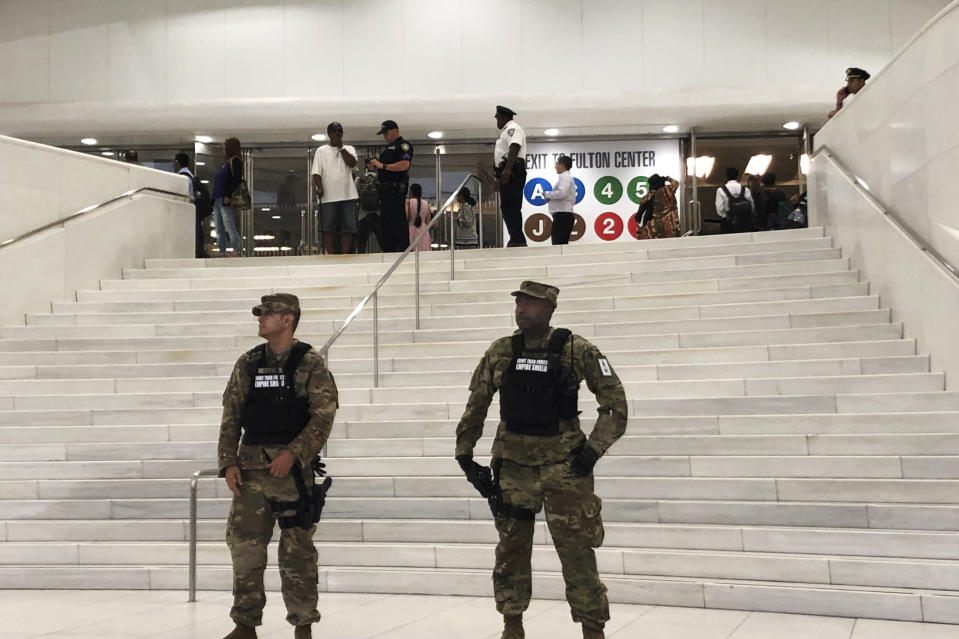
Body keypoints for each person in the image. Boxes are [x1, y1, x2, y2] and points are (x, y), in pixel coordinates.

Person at [455, 281, 628, 639]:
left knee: (577, 552)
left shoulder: (575, 350)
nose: (521, 309)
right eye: (519, 302)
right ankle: (512, 625)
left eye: (530, 304)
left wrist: (593, 449)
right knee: (511, 552)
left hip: (565, 469)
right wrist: (465, 454)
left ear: (549, 309)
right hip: (513, 469)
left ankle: (593, 629)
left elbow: (615, 404)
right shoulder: (501, 351)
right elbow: (477, 404)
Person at [217, 293, 339, 639]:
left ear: (288, 319)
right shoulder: (249, 362)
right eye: (260, 314)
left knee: (297, 553)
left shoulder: (309, 363)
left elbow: (323, 415)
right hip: (250, 473)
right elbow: (232, 415)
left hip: (290, 476)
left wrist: (294, 454)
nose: (260, 319)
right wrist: (228, 463)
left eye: (267, 314)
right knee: (244, 550)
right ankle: (245, 624)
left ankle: (302, 626)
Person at [312, 122, 358, 255]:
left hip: (348, 195)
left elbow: (352, 163)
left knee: (348, 227)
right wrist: (319, 187)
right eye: (334, 132)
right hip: (328, 196)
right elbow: (316, 172)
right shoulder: (321, 151)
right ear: (329, 134)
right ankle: (330, 254)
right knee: (328, 227)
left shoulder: (349, 148)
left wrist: (341, 148)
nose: (337, 134)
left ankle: (344, 254)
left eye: (340, 132)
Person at [367, 120, 413, 253]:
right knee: (386, 227)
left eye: (386, 133)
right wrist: (376, 168)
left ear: (394, 131)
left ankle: (402, 249)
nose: (385, 137)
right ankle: (388, 250)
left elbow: (404, 165)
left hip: (395, 191)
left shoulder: (403, 146)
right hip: (384, 193)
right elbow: (386, 169)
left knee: (397, 223)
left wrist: (382, 165)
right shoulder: (387, 148)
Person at [494, 105, 528, 247]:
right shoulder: (505, 131)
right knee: (507, 207)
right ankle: (516, 238)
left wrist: (507, 170)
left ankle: (518, 240)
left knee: (512, 205)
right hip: (506, 169)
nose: (497, 120)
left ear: (504, 117)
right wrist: (498, 176)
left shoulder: (512, 129)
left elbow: (515, 147)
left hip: (513, 169)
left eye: (498, 117)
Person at [174, 152, 212, 259]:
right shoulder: (190, 175)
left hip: (188, 209)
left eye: (174, 162)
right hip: (195, 208)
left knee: (191, 232)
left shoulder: (182, 177)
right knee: (197, 231)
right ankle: (199, 252)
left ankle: (197, 253)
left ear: (177, 162)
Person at [212, 137, 244, 256]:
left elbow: (236, 180)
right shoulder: (225, 163)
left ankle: (236, 251)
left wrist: (228, 195)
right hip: (218, 198)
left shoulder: (235, 161)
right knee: (219, 228)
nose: (223, 149)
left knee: (229, 226)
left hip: (225, 198)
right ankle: (222, 251)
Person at [635, 174, 680, 240]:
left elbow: (640, 215)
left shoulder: (645, 198)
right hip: (670, 228)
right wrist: (668, 178)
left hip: (652, 230)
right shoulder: (666, 191)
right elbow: (676, 184)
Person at [543, 155, 576, 245]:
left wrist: (547, 194)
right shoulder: (567, 177)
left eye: (557, 163)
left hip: (562, 216)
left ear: (561, 165)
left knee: (558, 246)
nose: (555, 166)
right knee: (561, 245)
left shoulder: (564, 177)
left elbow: (562, 193)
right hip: (563, 215)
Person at [715, 167, 754, 234]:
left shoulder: (720, 190)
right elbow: (752, 206)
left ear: (726, 176)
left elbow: (719, 208)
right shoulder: (746, 190)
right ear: (737, 176)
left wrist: (725, 215)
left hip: (728, 223)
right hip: (745, 222)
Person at [355, 160, 381, 253]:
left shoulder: (359, 179)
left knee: (361, 244)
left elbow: (355, 197)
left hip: (362, 215)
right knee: (383, 243)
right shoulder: (381, 179)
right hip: (378, 214)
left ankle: (361, 263)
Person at [406, 183, 432, 252]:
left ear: (411, 192)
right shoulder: (426, 203)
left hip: (411, 231)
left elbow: (406, 217)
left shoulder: (408, 202)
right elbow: (428, 221)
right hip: (424, 232)